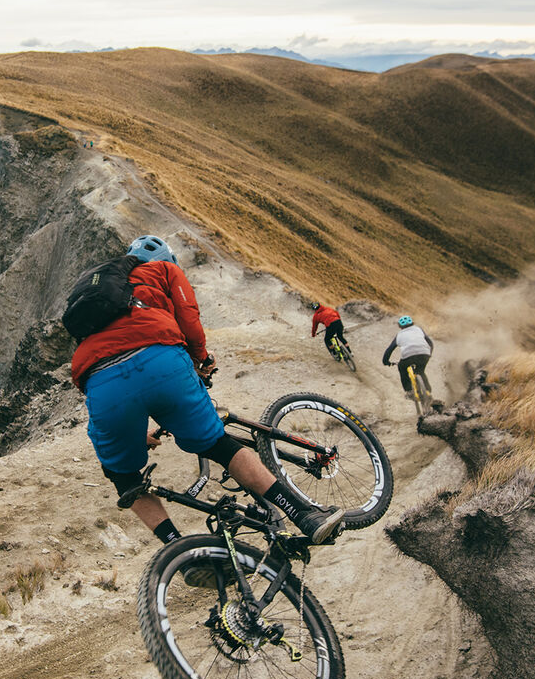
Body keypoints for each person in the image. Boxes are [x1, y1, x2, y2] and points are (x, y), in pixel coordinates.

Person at [70, 234, 345, 546]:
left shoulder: (98, 295)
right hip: (162, 363)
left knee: (123, 475)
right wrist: (201, 359)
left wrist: (134, 429)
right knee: (219, 445)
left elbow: (107, 365)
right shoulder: (164, 270)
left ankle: (178, 550)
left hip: (101, 384)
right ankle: (304, 515)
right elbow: (188, 317)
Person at [382, 315, 434, 397]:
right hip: (424, 353)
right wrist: (429, 353)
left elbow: (390, 349)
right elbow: (430, 342)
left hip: (408, 356)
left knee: (402, 368)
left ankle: (409, 391)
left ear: (400, 326)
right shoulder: (418, 329)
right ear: (412, 323)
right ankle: (428, 392)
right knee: (420, 371)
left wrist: (385, 361)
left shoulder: (399, 335)